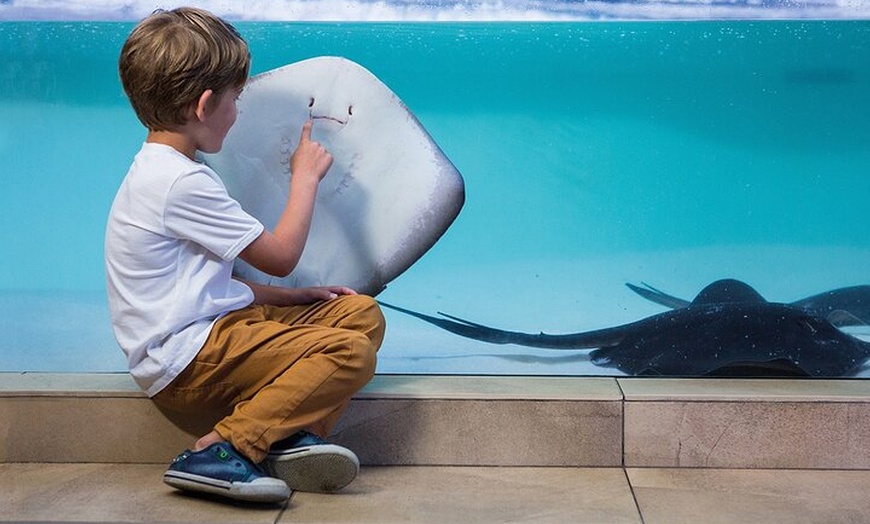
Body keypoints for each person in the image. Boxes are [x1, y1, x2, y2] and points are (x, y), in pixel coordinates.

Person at [106, 7, 385, 504]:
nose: (239, 111)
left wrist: (296, 297)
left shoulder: (167, 169)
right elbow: (279, 255)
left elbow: (201, 286)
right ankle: (226, 448)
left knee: (359, 314)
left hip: (212, 337)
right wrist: (304, 179)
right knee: (350, 352)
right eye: (236, 99)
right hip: (188, 365)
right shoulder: (179, 182)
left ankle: (285, 438)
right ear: (205, 104)